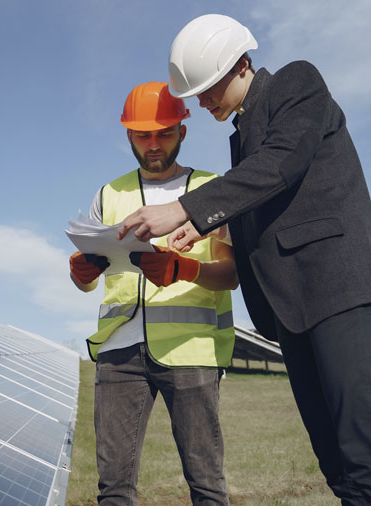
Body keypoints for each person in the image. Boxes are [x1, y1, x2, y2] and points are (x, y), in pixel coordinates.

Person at [117, 14, 371, 505]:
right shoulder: (242, 141)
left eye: (207, 88)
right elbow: (271, 204)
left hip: (341, 292)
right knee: (339, 464)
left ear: (242, 64)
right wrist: (211, 227)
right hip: (295, 311)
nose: (200, 102)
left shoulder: (297, 82)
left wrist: (186, 208)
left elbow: (281, 163)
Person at [70, 81, 239, 505]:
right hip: (118, 353)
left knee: (206, 486)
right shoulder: (108, 195)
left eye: (164, 133)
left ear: (183, 131)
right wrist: (80, 272)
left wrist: (185, 268)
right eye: (143, 135)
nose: (154, 144)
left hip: (192, 351)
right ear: (129, 135)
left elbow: (233, 274)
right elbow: (88, 282)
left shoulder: (213, 189)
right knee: (113, 489)